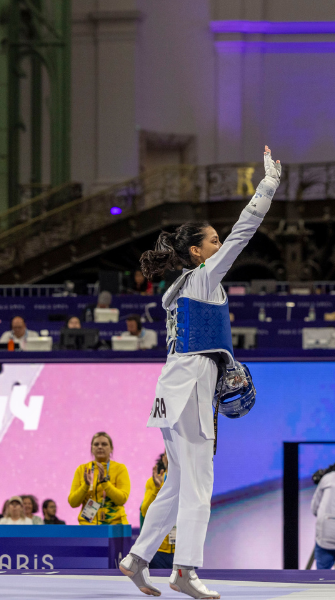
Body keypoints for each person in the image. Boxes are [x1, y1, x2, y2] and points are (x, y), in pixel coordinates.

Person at [120, 146, 281, 600]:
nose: (219, 245)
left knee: (176, 481)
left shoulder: (179, 289)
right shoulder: (204, 278)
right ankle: (185, 569)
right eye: (212, 241)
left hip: (173, 388)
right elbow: (245, 230)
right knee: (199, 483)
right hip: (190, 384)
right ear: (197, 251)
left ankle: (136, 558)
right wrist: (267, 184)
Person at [69, 432, 131, 526]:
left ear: (111, 449)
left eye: (104, 444)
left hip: (115, 526)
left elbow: (122, 499)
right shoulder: (82, 469)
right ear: (92, 449)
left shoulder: (120, 468)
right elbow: (73, 503)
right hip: (88, 527)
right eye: (96, 444)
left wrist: (105, 483)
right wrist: (85, 486)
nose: (100, 447)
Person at [140, 453, 175, 569]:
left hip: (183, 551)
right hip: (157, 551)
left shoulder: (189, 482)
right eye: (168, 453)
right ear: (164, 458)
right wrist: (157, 488)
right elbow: (145, 511)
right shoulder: (153, 481)